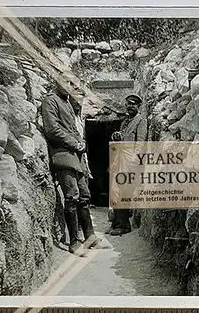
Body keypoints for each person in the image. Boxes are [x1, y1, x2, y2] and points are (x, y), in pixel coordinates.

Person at [40, 71, 99, 256]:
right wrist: (75, 143)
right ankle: (74, 242)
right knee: (72, 196)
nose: (72, 87)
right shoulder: (51, 100)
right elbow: (52, 129)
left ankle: (90, 237)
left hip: (77, 157)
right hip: (64, 155)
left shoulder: (67, 102)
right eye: (68, 83)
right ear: (58, 82)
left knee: (85, 196)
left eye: (74, 84)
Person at [107, 94, 148, 236]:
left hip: (130, 161)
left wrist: (133, 163)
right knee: (116, 190)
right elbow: (120, 138)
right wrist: (116, 136)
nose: (130, 106)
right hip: (120, 159)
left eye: (133, 104)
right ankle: (116, 222)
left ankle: (124, 225)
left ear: (138, 106)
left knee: (123, 192)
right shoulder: (125, 122)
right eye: (128, 104)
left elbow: (141, 143)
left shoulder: (141, 121)